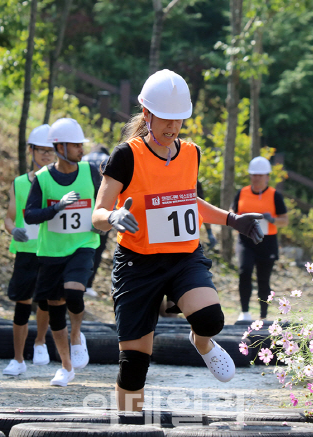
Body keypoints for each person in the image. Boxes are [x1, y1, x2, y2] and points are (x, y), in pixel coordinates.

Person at [92, 69, 264, 412]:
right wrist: (112, 218)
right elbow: (97, 213)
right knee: (133, 367)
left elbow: (189, 203)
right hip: (137, 264)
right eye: (165, 120)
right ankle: (128, 428)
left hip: (183, 257)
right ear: (147, 114)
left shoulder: (191, 153)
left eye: (179, 121)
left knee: (211, 320)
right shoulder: (126, 155)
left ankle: (201, 343)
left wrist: (233, 220)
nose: (172, 128)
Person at [24, 117, 102, 387]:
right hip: (51, 251)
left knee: (73, 291)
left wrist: (108, 219)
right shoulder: (43, 178)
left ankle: (77, 334)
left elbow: (105, 200)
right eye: (76, 145)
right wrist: (55, 208)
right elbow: (30, 215)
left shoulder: (91, 172)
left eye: (82, 145)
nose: (81, 149)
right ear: (59, 147)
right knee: (55, 306)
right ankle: (66, 367)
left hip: (83, 245)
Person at [1, 124, 54, 376]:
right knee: (22, 303)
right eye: (41, 150)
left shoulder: (59, 181)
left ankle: (41, 342)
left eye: (50, 150)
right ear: (31, 150)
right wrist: (13, 230)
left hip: (51, 249)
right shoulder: (20, 182)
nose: (46, 155)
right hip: (26, 250)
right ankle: (18, 358)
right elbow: (9, 217)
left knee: (45, 300)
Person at [231, 156, 288, 321]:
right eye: (254, 175)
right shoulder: (241, 193)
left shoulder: (275, 195)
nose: (257, 178)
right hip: (245, 240)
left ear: (267, 177)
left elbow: (284, 220)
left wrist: (273, 220)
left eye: (260, 175)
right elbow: (231, 212)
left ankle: (263, 315)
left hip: (267, 241)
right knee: (244, 271)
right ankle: (245, 312)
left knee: (264, 279)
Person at [81, 144, 111, 298]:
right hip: (102, 212)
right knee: (97, 250)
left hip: (82, 210)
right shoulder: (109, 159)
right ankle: (88, 285)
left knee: (81, 247)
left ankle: (77, 281)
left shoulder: (82, 159)